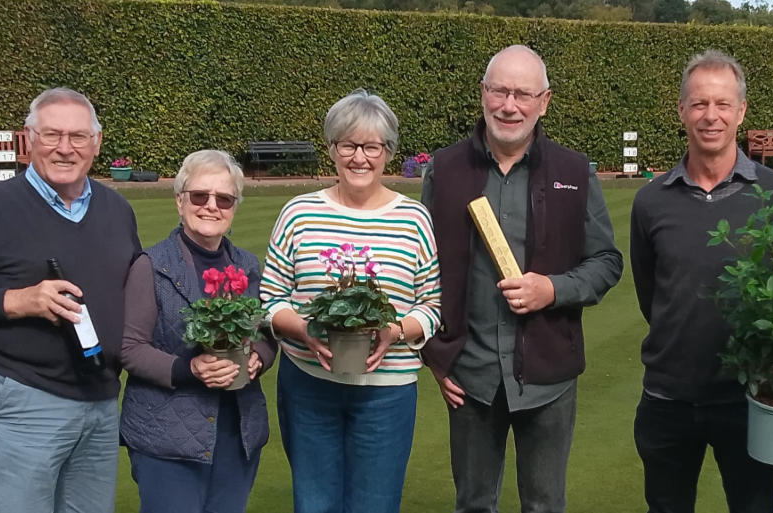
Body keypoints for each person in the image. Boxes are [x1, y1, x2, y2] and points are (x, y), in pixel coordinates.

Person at [420, 45, 623, 513]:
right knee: (472, 503)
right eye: (499, 91)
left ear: (544, 101)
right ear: (483, 94)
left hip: (549, 375)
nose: (509, 105)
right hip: (469, 376)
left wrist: (553, 289)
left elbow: (607, 261)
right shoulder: (445, 169)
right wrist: (434, 355)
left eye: (523, 94)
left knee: (545, 505)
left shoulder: (574, 170)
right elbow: (422, 270)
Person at [629, 50, 773, 513]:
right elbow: (653, 294)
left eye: (723, 104)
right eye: (700, 103)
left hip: (749, 398)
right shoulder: (650, 201)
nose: (711, 116)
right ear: (682, 109)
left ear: (741, 111)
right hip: (667, 397)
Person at [260, 89, 442, 513]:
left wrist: (395, 331)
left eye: (372, 146)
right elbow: (269, 299)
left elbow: (431, 307)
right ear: (333, 149)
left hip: (387, 392)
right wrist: (304, 329)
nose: (359, 157)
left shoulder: (413, 219)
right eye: (349, 145)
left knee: (375, 505)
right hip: (308, 385)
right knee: (314, 504)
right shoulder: (298, 213)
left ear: (388, 153)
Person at [0, 87, 141, 513]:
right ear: (28, 139)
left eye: (78, 137)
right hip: (23, 394)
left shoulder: (117, 210)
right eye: (52, 135)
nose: (65, 148)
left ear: (96, 144)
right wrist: (19, 301)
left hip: (100, 398)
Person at [119, 150, 277, 512]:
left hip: (237, 433)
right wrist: (188, 369)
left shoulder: (248, 266)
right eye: (199, 196)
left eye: (223, 198)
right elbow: (130, 347)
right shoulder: (152, 265)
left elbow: (267, 332)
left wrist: (259, 359)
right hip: (167, 436)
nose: (211, 206)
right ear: (180, 201)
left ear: (234, 207)